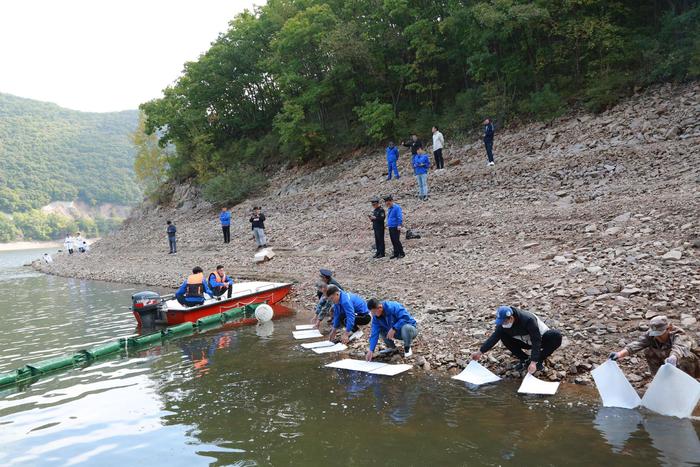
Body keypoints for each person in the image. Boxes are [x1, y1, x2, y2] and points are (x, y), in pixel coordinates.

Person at [471, 305, 562, 373]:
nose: (502, 324)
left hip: (541, 339)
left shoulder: (528, 320)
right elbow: (494, 338)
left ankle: (539, 359)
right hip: (523, 341)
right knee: (502, 335)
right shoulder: (502, 325)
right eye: (501, 322)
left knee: (556, 336)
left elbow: (536, 340)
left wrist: (534, 361)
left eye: (504, 322)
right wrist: (480, 352)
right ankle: (524, 359)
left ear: (511, 318)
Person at [609, 315, 700, 378]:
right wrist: (619, 354)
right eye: (655, 334)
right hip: (671, 363)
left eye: (660, 334)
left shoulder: (679, 334)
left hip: (695, 366)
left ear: (669, 329)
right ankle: (661, 380)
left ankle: (686, 383)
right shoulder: (651, 334)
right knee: (649, 351)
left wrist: (673, 357)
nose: (657, 337)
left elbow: (679, 348)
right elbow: (638, 344)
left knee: (684, 356)